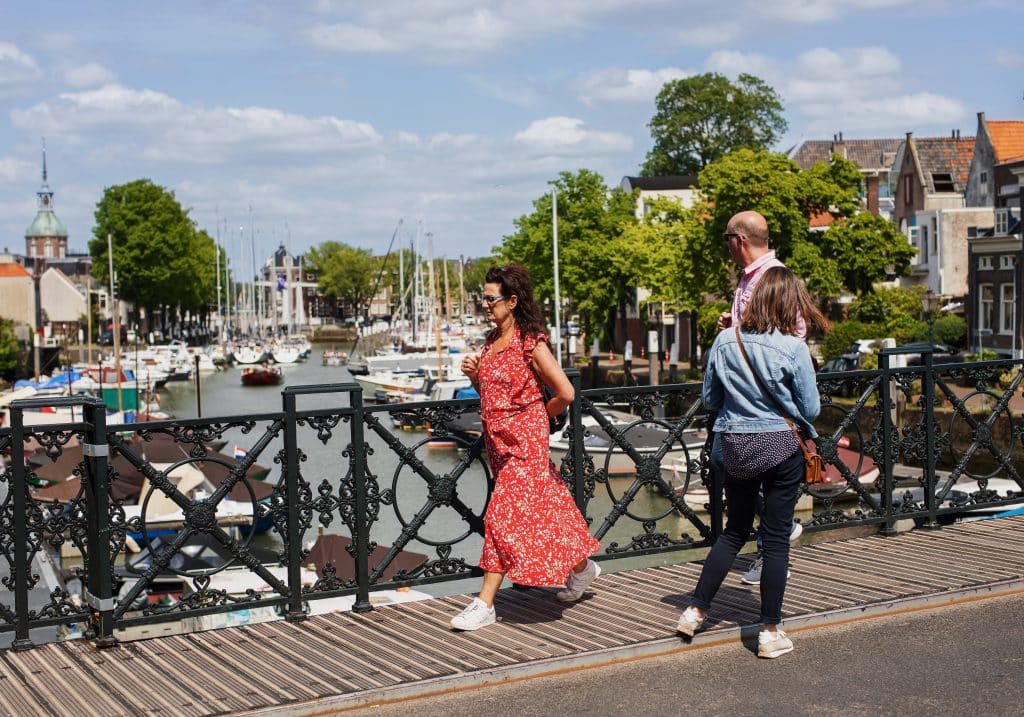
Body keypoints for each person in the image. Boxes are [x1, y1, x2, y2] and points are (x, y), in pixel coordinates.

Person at [677, 267, 829, 658]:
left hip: (735, 445)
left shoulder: (725, 341)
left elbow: (710, 398)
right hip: (781, 445)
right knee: (776, 540)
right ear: (789, 303)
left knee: (733, 531)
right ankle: (770, 630)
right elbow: (811, 407)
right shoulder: (795, 348)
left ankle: (694, 611)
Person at [450, 263, 601, 631]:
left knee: (499, 516)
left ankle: (485, 603)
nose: (484, 304)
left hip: (525, 446)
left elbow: (565, 392)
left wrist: (538, 418)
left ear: (512, 301)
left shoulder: (530, 342)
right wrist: (474, 376)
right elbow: (493, 394)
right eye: (482, 298)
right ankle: (583, 569)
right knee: (550, 509)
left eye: (490, 298)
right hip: (498, 445)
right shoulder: (490, 342)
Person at [718, 210, 805, 586]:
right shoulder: (752, 278)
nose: (728, 248)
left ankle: (774, 554)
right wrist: (733, 329)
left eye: (727, 240)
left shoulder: (771, 279)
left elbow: (793, 334)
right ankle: (778, 538)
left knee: (744, 470)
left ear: (739, 240)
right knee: (740, 472)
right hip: (754, 400)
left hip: (763, 402)